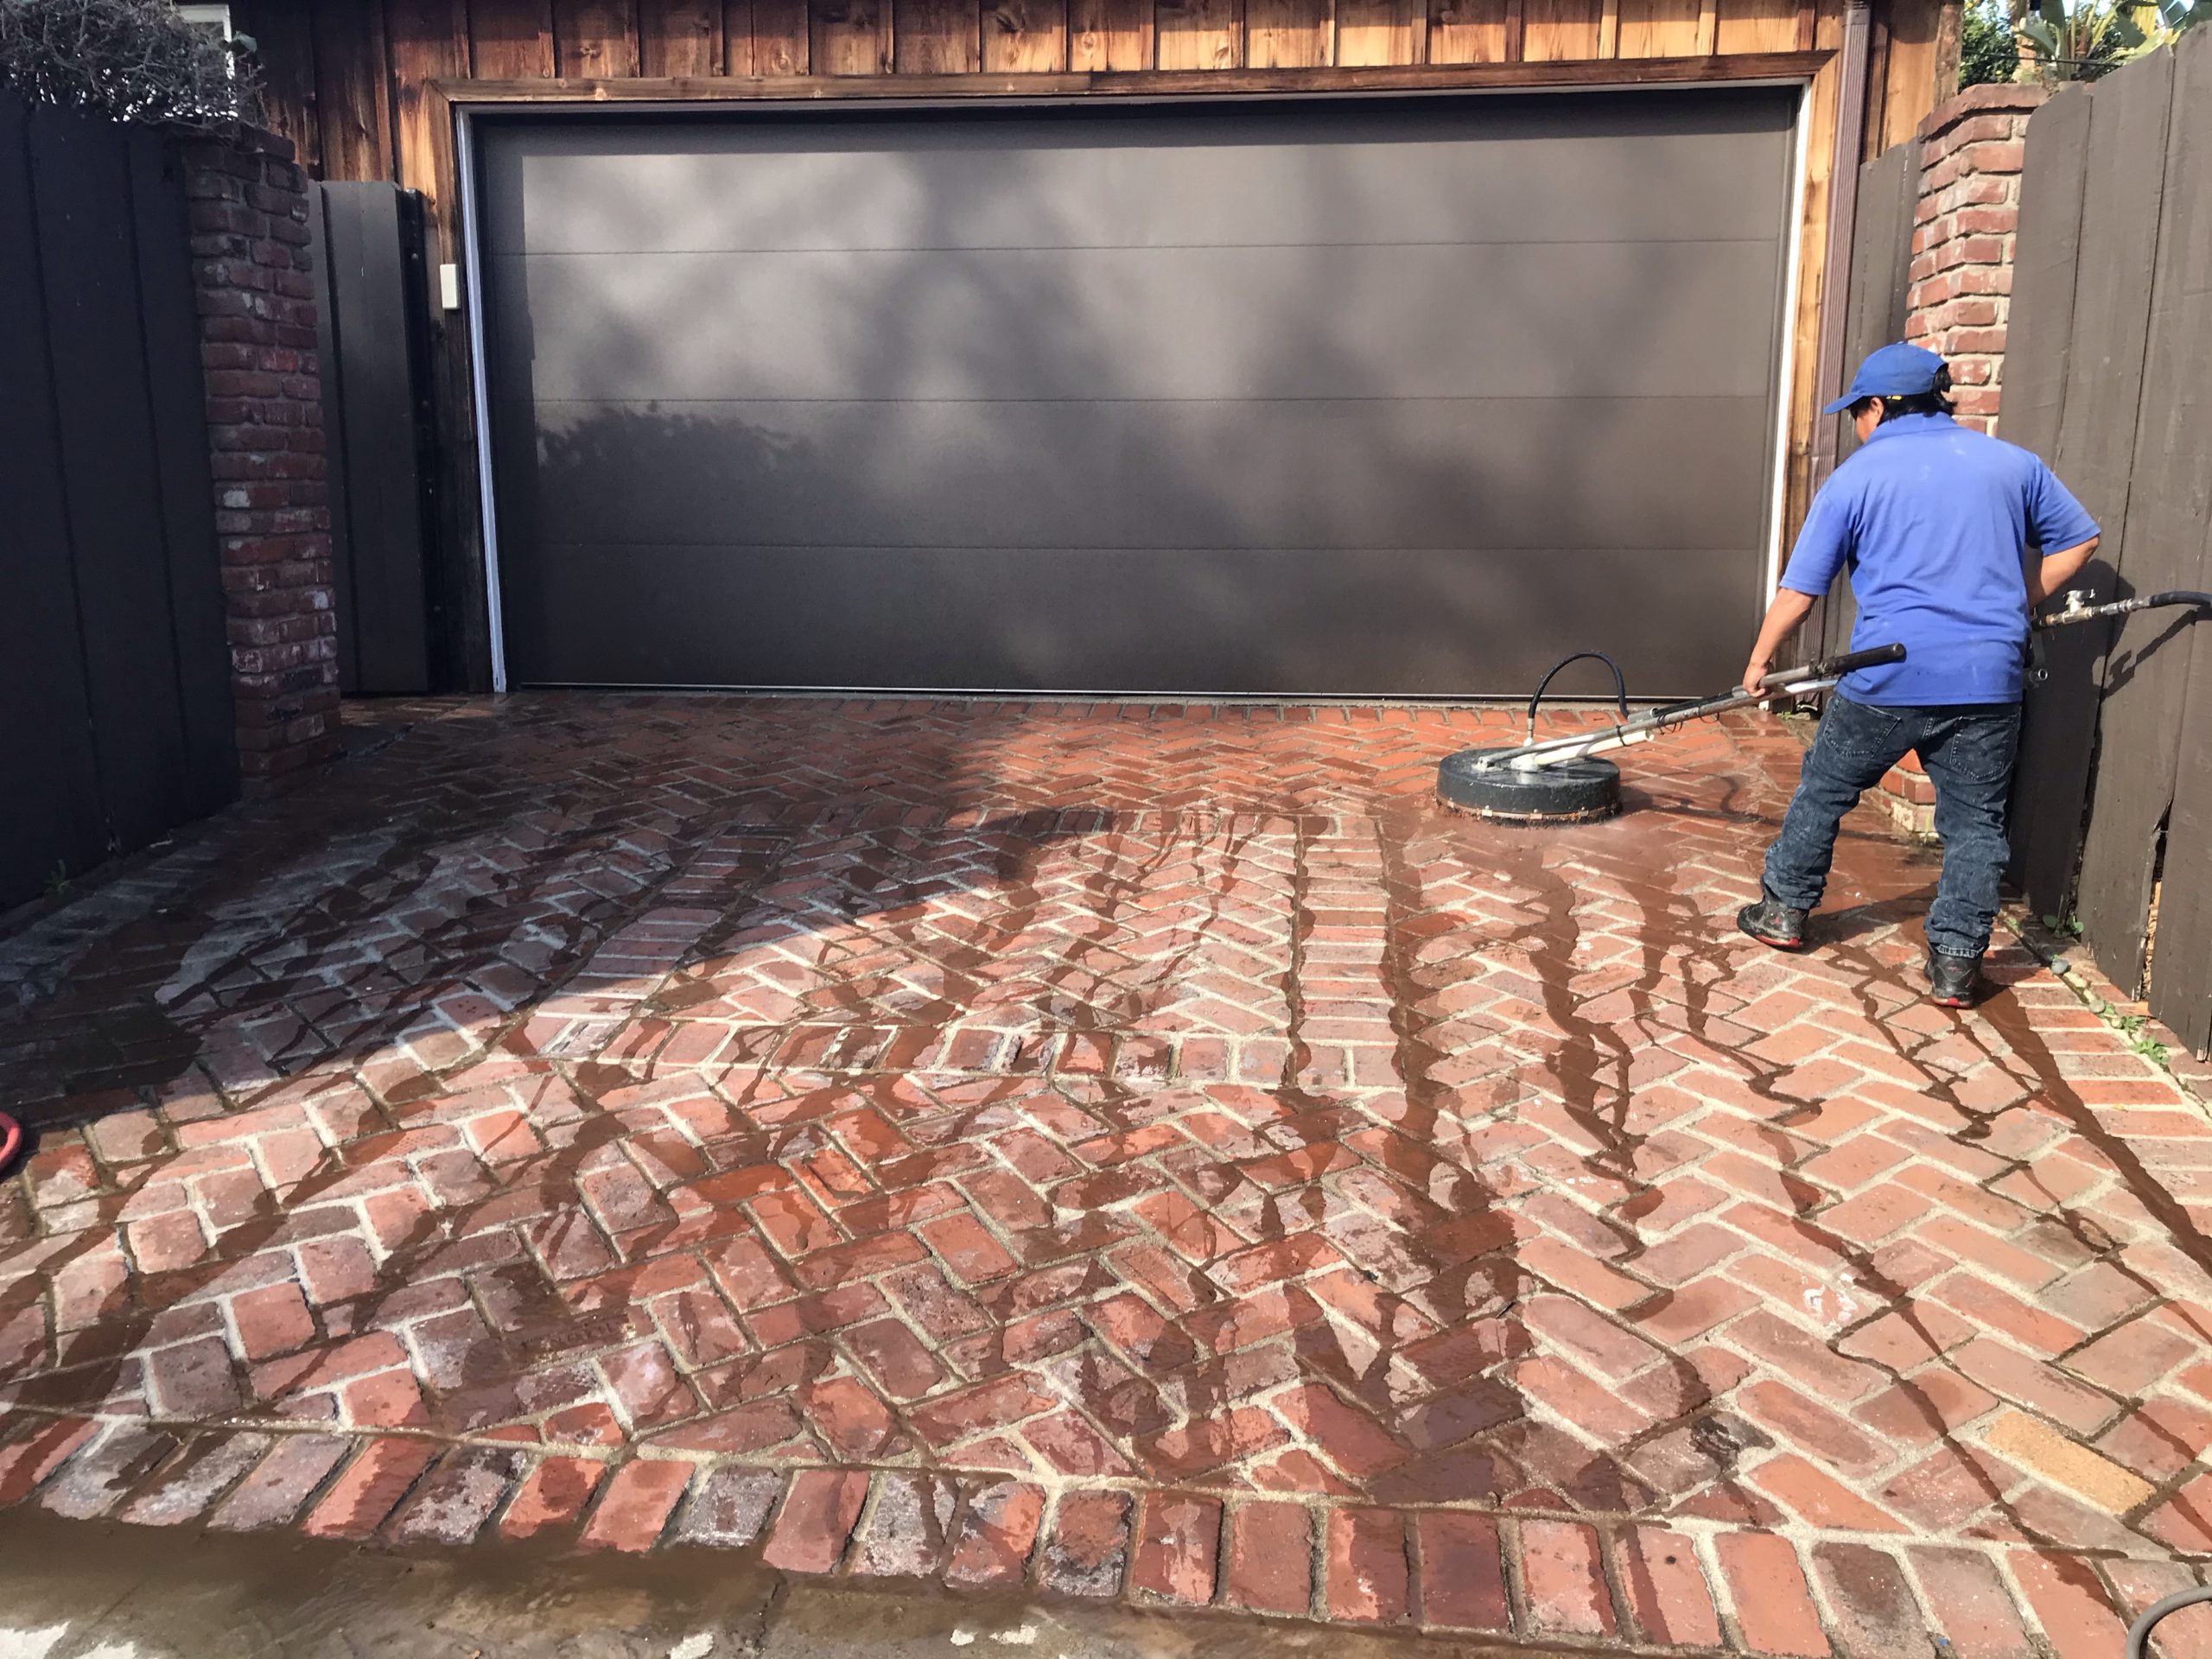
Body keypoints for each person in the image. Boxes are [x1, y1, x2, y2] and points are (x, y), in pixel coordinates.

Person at [1735, 341, 2101, 1007]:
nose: (1856, 426)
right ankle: (1957, 965)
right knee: (1976, 825)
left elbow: (1800, 590)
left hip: (1887, 677)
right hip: (1986, 681)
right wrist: (2015, 601)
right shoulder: (2012, 464)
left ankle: (1784, 912)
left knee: (1824, 792)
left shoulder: (1857, 476)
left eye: (1857, 412)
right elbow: (2081, 540)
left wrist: (1760, 664)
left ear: (1879, 407)